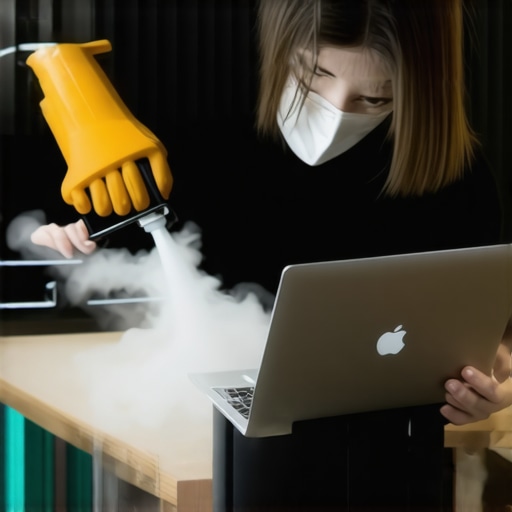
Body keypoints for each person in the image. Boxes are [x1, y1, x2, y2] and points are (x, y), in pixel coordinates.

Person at [30, 0, 512, 509]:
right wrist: (58, 237)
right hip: (198, 453)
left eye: (376, 98)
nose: (337, 108)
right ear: (283, 44)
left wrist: (497, 382)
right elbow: (88, 229)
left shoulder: (455, 178)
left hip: (395, 463)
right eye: (315, 73)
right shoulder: (200, 119)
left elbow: (493, 335)